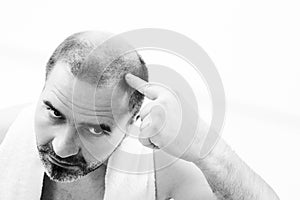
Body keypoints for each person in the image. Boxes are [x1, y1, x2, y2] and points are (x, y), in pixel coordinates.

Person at [0, 31, 279, 200]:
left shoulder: (162, 176)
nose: (62, 147)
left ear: (132, 122)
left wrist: (207, 150)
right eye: (54, 113)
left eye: (96, 129)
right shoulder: (4, 136)